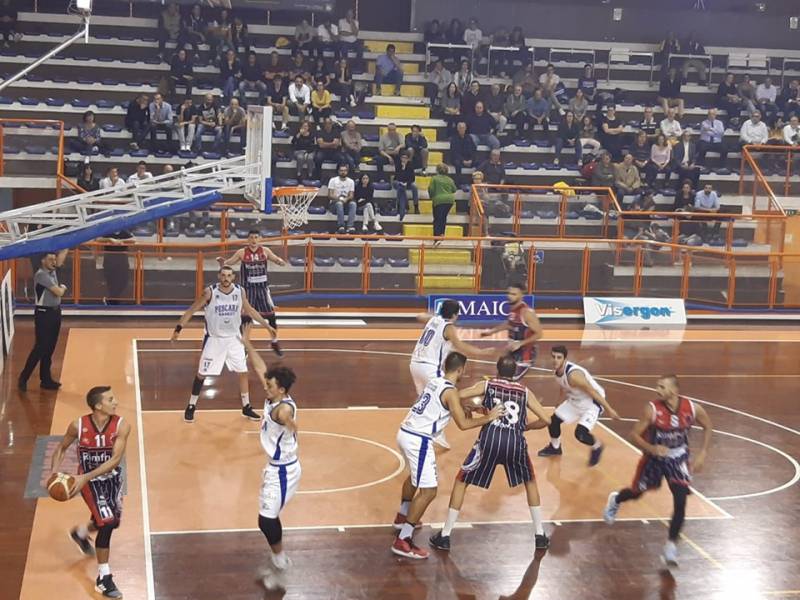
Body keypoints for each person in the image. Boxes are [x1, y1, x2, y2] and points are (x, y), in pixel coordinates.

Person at [429, 354, 552, 552]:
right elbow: (546, 419)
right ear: (515, 373)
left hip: (490, 440)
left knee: (462, 481)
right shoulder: (525, 391)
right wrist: (526, 427)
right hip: (515, 442)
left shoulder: (488, 385)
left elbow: (458, 395)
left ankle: (445, 535)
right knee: (530, 482)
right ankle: (539, 535)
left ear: (497, 370)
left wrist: (466, 406)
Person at [392, 352, 504, 559]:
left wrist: (464, 406)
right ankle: (403, 539)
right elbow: (463, 424)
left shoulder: (435, 381)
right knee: (429, 491)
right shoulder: (451, 392)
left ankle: (402, 516)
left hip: (405, 432)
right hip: (419, 439)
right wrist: (489, 417)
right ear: (461, 369)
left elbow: (444, 402)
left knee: (415, 477)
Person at [603, 375, 712, 567]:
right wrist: (653, 449)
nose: (657, 390)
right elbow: (633, 435)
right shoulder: (652, 409)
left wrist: (703, 452)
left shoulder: (692, 408)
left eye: (662, 387)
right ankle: (616, 499)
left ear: (674, 391)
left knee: (680, 501)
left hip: (678, 458)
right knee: (637, 493)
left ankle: (671, 546)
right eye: (657, 386)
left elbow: (708, 425)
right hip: (654, 459)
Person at [50, 386, 131, 599]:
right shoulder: (77, 425)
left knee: (105, 520)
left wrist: (85, 476)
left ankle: (81, 533)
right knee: (108, 522)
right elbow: (60, 449)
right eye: (111, 399)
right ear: (97, 405)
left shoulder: (122, 426)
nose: (116, 402)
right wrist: (54, 473)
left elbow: (114, 460)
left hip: (112, 480)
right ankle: (104, 579)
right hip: (87, 482)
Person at [171, 266, 277, 423]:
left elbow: (250, 310)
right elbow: (191, 310)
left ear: (233, 277)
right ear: (219, 276)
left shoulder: (240, 291)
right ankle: (191, 406)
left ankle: (246, 406)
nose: (226, 278)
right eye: (223, 275)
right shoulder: (210, 292)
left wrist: (267, 326)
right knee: (202, 374)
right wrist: (178, 329)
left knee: (243, 372)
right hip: (214, 339)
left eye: (229, 275)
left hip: (234, 339)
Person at [242, 339, 300, 592]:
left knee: (266, 520)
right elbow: (259, 367)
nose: (266, 387)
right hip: (275, 468)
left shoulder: (283, 408)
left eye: (270, 386)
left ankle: (281, 563)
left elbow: (285, 415)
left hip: (284, 471)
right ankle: (278, 559)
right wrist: (247, 343)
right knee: (267, 518)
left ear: (282, 389)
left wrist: (292, 423)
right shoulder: (273, 398)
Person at [409, 299, 494, 447]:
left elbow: (419, 316)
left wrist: (433, 316)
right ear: (455, 314)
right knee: (448, 397)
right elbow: (460, 345)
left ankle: (422, 428)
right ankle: (435, 432)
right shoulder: (449, 327)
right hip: (430, 367)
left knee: (427, 399)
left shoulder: (435, 319)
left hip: (415, 364)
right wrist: (481, 352)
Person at [538, 345, 620, 465]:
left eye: (559, 357)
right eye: (553, 357)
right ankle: (555, 448)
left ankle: (597, 446)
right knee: (553, 421)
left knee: (580, 434)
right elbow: (563, 385)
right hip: (575, 400)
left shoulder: (574, 375)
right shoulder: (557, 372)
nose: (555, 360)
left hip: (592, 403)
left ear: (565, 359)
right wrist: (559, 401)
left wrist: (610, 409)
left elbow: (593, 392)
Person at [217, 231, 286, 355]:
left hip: (262, 289)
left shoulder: (265, 251)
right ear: (248, 240)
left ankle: (274, 341)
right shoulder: (242, 252)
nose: (254, 240)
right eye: (251, 238)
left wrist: (280, 261)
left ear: (260, 239)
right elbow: (230, 262)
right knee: (246, 319)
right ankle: (244, 345)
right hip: (248, 290)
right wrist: (223, 263)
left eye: (256, 237)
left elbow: (275, 259)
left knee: (271, 316)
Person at [18, 249, 69, 392]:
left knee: (50, 348)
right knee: (40, 347)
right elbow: (58, 292)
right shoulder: (41, 275)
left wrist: (67, 246)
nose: (54, 262)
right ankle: (23, 377)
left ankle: (45, 379)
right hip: (44, 314)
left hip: (55, 312)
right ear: (43, 261)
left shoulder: (52, 271)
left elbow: (61, 259)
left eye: (54, 259)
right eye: (51, 260)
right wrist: (63, 287)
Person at [480, 283, 542, 379]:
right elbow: (509, 324)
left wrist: (520, 343)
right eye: (509, 293)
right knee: (500, 375)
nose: (510, 296)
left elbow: (539, 334)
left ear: (521, 295)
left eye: (514, 294)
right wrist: (491, 332)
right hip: (513, 351)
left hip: (525, 355)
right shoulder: (513, 309)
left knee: (509, 380)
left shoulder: (527, 312)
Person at [95, 230, 134, 304]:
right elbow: (98, 239)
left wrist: (121, 241)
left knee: (124, 280)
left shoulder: (124, 232)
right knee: (111, 280)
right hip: (109, 258)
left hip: (122, 259)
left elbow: (134, 240)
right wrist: (110, 239)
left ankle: (111, 299)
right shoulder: (108, 231)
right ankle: (113, 300)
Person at [429, 163, 457, 240]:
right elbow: (454, 189)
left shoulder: (434, 178)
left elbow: (431, 189)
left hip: (438, 200)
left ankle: (436, 237)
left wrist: (431, 197)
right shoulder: (450, 179)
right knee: (443, 217)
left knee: (437, 218)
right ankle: (442, 234)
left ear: (437, 170)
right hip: (449, 201)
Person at [327, 163, 356, 234]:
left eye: (345, 170)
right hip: (334, 205)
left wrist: (346, 199)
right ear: (338, 171)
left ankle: (350, 226)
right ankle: (341, 226)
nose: (343, 172)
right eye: (341, 170)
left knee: (353, 204)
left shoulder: (351, 181)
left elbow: (351, 195)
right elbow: (330, 195)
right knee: (339, 203)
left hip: (346, 204)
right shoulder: (333, 180)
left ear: (347, 171)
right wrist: (339, 199)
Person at [394, 151, 419, 220]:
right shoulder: (398, 165)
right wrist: (403, 169)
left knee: (415, 187)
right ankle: (405, 204)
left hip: (407, 183)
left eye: (405, 158)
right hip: (398, 182)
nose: (404, 159)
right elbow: (397, 176)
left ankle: (416, 206)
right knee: (400, 187)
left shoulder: (410, 165)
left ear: (408, 159)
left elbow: (412, 178)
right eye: (402, 158)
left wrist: (407, 183)